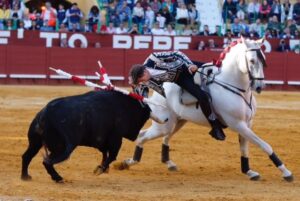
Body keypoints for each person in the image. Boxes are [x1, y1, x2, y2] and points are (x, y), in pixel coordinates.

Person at [129, 51, 226, 141]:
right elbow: (142, 98)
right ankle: (216, 127)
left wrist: (190, 64)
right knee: (202, 96)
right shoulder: (143, 80)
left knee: (218, 68)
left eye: (142, 80)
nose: (143, 82)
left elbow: (177, 53)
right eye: (140, 82)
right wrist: (134, 87)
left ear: (145, 72)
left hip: (186, 67)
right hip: (181, 79)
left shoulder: (153, 58)